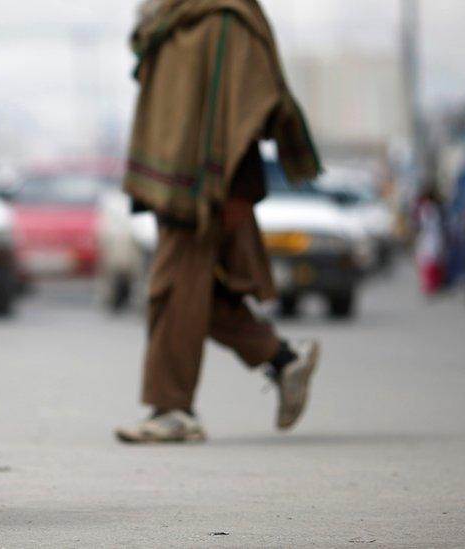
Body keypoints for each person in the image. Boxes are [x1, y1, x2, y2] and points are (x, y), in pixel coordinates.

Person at [115, 0, 322, 444]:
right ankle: (285, 359)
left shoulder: (225, 18)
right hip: (173, 186)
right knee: (199, 298)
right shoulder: (170, 20)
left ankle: (173, 411)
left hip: (210, 188)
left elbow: (247, 111)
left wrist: (236, 192)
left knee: (171, 292)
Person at [415, 185, 448, 296]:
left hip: (431, 237)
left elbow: (425, 225)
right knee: (430, 260)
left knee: (431, 260)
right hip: (431, 237)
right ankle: (431, 284)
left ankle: (432, 284)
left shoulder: (428, 208)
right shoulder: (431, 207)